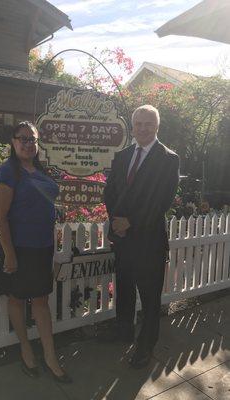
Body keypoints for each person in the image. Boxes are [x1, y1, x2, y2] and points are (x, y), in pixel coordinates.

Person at [0, 121, 71, 383]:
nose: (28, 144)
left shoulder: (41, 171)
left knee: (41, 301)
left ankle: (50, 356)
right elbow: (0, 218)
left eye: (33, 139)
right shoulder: (7, 172)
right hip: (18, 248)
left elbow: (46, 200)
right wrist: (10, 255)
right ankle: (26, 349)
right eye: (22, 139)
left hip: (42, 247)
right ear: (13, 142)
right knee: (17, 298)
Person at [104, 105, 179, 368]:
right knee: (123, 287)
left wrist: (131, 222)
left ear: (157, 126)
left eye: (148, 123)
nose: (143, 128)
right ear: (132, 126)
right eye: (138, 123)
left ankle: (146, 345)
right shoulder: (122, 155)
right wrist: (117, 220)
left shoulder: (168, 159)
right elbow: (110, 191)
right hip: (122, 237)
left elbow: (162, 201)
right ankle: (123, 330)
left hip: (149, 239)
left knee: (149, 296)